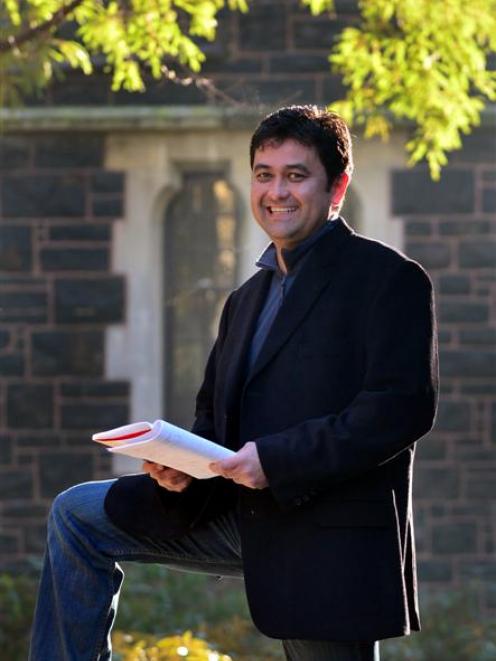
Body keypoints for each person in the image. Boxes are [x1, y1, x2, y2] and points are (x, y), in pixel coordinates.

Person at [29, 105, 438, 661]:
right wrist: (182, 467)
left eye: (296, 175)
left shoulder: (390, 279)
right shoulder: (245, 300)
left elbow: (400, 410)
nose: (277, 192)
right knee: (76, 516)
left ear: (337, 187)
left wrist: (274, 460)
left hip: (327, 535)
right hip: (231, 512)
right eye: (264, 174)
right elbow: (213, 419)